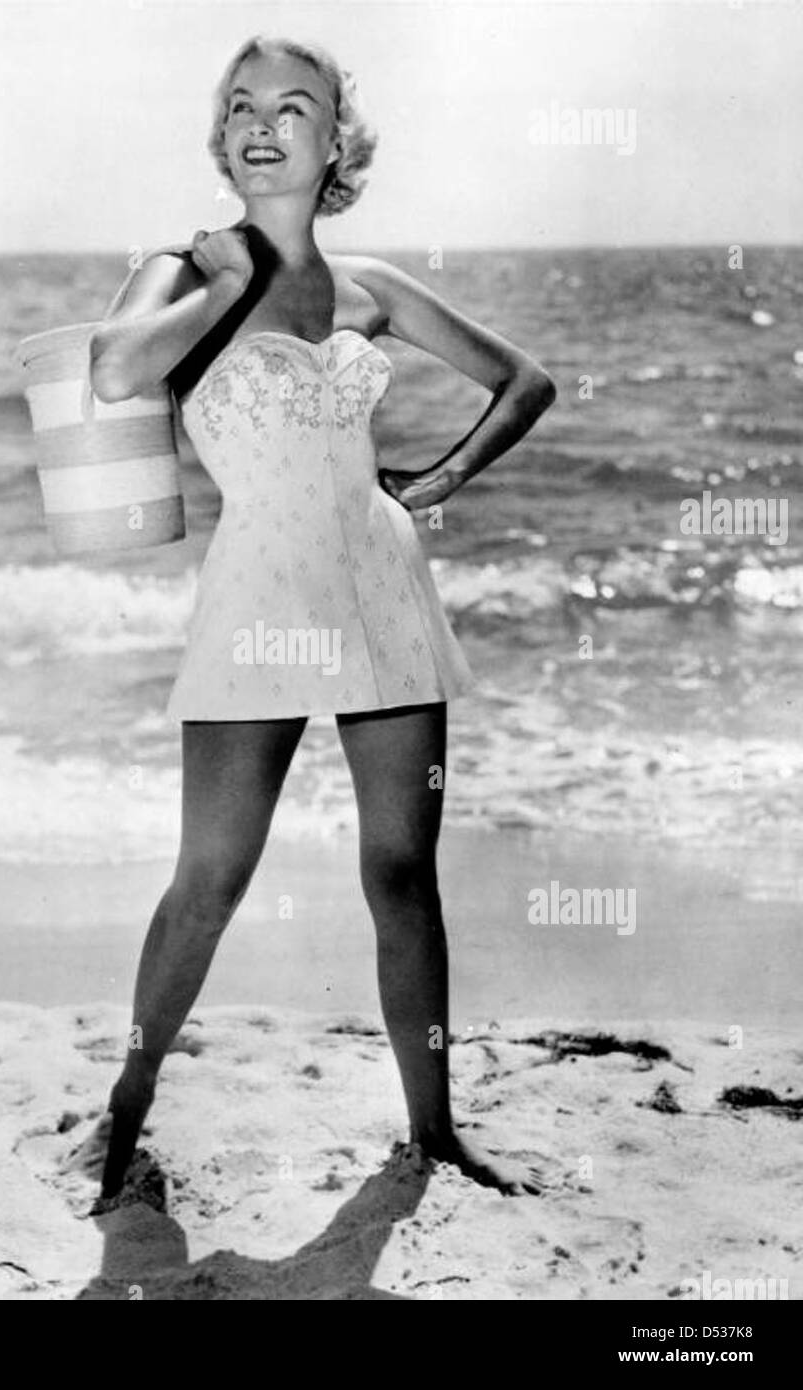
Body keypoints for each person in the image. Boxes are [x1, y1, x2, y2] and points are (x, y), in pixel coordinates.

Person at [89, 35, 556, 1205]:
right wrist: (232, 282)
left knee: (403, 870)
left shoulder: (372, 290)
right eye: (241, 106)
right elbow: (109, 372)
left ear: (336, 138)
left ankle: (433, 1133)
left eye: (293, 108)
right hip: (258, 594)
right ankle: (124, 1113)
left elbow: (525, 381)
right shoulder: (181, 269)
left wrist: (435, 485)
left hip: (382, 584)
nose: (262, 125)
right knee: (212, 875)